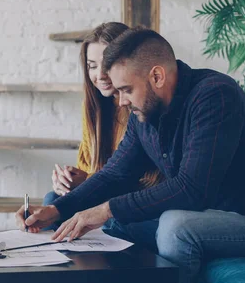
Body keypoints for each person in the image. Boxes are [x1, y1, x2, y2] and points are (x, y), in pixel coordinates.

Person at [17, 27, 245, 282]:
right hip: (208, 217)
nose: (121, 101)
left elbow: (192, 189)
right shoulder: (145, 112)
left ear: (156, 76)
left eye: (126, 90)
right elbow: (116, 173)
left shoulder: (215, 95)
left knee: (174, 226)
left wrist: (106, 209)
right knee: (71, 207)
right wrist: (59, 209)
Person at [43, 22, 163, 239]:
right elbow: (91, 170)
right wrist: (68, 182)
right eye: (91, 65)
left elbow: (152, 184)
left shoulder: (143, 104)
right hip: (103, 199)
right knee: (52, 199)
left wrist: (88, 183)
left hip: (136, 206)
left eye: (108, 63)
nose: (100, 75)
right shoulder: (93, 108)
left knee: (113, 221)